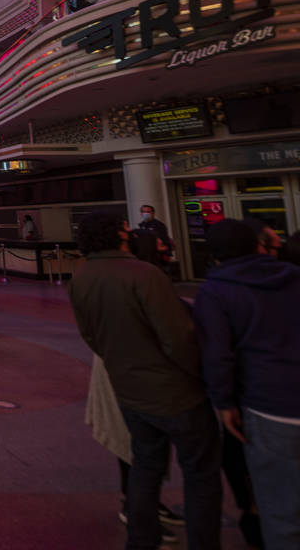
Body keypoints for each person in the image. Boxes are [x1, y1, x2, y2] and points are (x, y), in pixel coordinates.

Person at [68, 212, 221, 550]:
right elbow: (178, 338)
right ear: (118, 234)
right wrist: (203, 379)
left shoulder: (81, 276)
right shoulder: (144, 274)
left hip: (128, 389)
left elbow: (91, 335)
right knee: (202, 474)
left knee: (144, 467)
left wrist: (121, 362)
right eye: (125, 227)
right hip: (174, 392)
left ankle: (141, 539)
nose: (133, 231)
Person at [194, 219, 300, 550]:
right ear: (259, 246)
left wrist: (224, 403)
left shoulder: (215, 291)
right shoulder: (294, 277)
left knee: (282, 509)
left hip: (269, 405)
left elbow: (217, 355)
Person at [84, 355, 183, 542]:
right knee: (132, 435)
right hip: (125, 362)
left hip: (131, 360)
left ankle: (144, 503)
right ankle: (136, 507)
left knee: (141, 435)